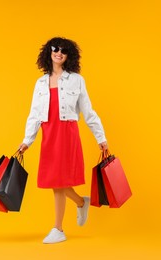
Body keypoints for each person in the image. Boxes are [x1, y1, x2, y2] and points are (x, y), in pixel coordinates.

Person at [19, 37, 108, 244]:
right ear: (49, 52)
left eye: (64, 51)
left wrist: (100, 137)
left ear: (69, 56)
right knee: (54, 180)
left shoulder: (76, 80)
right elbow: (34, 113)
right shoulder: (40, 83)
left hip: (67, 132)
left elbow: (88, 111)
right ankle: (79, 202)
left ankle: (58, 229)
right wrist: (27, 140)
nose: (59, 53)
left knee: (58, 181)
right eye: (55, 49)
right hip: (48, 132)